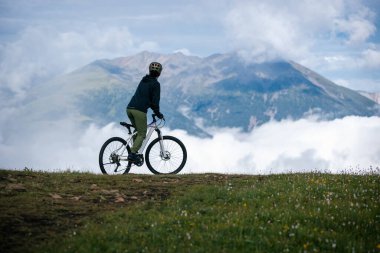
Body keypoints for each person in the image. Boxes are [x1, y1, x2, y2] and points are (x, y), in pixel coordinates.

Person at [126, 62, 164, 163]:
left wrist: (153, 108)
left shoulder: (144, 80)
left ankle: (134, 151)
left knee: (138, 131)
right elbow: (155, 101)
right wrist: (158, 113)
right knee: (142, 134)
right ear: (159, 73)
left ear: (149, 70)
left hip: (129, 108)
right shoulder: (156, 84)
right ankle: (133, 153)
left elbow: (146, 98)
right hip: (139, 111)